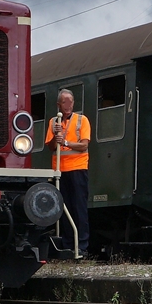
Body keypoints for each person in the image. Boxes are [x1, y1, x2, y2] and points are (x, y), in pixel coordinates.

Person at [43, 89, 91, 255]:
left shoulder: (81, 120)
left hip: (78, 168)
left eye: (70, 101)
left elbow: (84, 145)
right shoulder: (53, 122)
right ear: (59, 104)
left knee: (79, 207)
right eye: (65, 102)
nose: (68, 105)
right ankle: (68, 244)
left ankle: (82, 246)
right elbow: (49, 146)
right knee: (64, 208)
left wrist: (66, 141)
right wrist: (56, 136)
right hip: (60, 171)